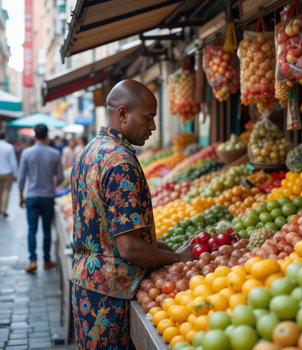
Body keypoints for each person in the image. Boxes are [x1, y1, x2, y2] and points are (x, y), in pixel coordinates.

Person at [71, 79, 194, 350]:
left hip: (87, 285)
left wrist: (157, 248)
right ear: (123, 114)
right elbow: (128, 248)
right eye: (148, 118)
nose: (153, 127)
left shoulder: (89, 152)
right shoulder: (121, 163)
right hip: (114, 296)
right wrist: (177, 258)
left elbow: (106, 232)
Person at [18, 124, 64, 273]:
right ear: (47, 136)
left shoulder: (26, 153)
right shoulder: (55, 153)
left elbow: (21, 178)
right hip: (48, 196)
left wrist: (21, 197)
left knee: (31, 229)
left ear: (34, 136)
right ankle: (46, 260)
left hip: (31, 195)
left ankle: (32, 261)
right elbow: (61, 177)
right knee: (46, 230)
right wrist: (51, 185)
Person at [0, 131, 18, 217]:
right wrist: (15, 174)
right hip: (7, 172)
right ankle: (3, 209)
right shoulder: (9, 147)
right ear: (5, 137)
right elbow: (13, 162)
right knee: (6, 191)